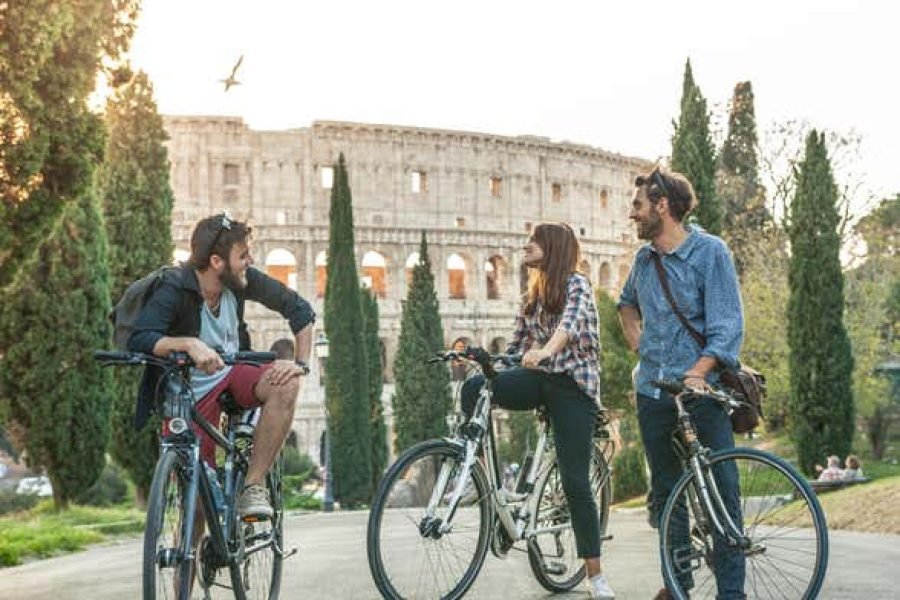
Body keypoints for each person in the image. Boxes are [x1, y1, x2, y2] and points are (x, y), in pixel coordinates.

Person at [460, 222, 615, 599]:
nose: (526, 245)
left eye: (534, 241)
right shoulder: (533, 295)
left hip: (573, 387)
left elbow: (568, 327)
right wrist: (487, 362)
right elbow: (516, 347)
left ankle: (595, 576)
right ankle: (478, 474)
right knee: (475, 387)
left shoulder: (577, 285)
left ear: (554, 248)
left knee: (575, 482)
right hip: (540, 379)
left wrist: (545, 351)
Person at [129, 213, 315, 522]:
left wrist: (301, 364)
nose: (249, 261)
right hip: (188, 393)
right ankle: (191, 553)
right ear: (217, 261)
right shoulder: (174, 287)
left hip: (232, 372)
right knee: (198, 503)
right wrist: (187, 343)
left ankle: (253, 486)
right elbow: (141, 338)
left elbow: (300, 310)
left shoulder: (242, 281)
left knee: (286, 384)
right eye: (243, 255)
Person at [618, 168, 745, 600]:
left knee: (722, 487)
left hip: (701, 392)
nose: (632, 214)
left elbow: (728, 327)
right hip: (653, 393)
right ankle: (678, 584)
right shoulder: (643, 260)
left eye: (638, 205)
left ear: (663, 206)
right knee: (667, 492)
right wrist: (638, 344)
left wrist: (698, 371)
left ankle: (732, 592)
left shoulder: (711, 253)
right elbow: (626, 305)